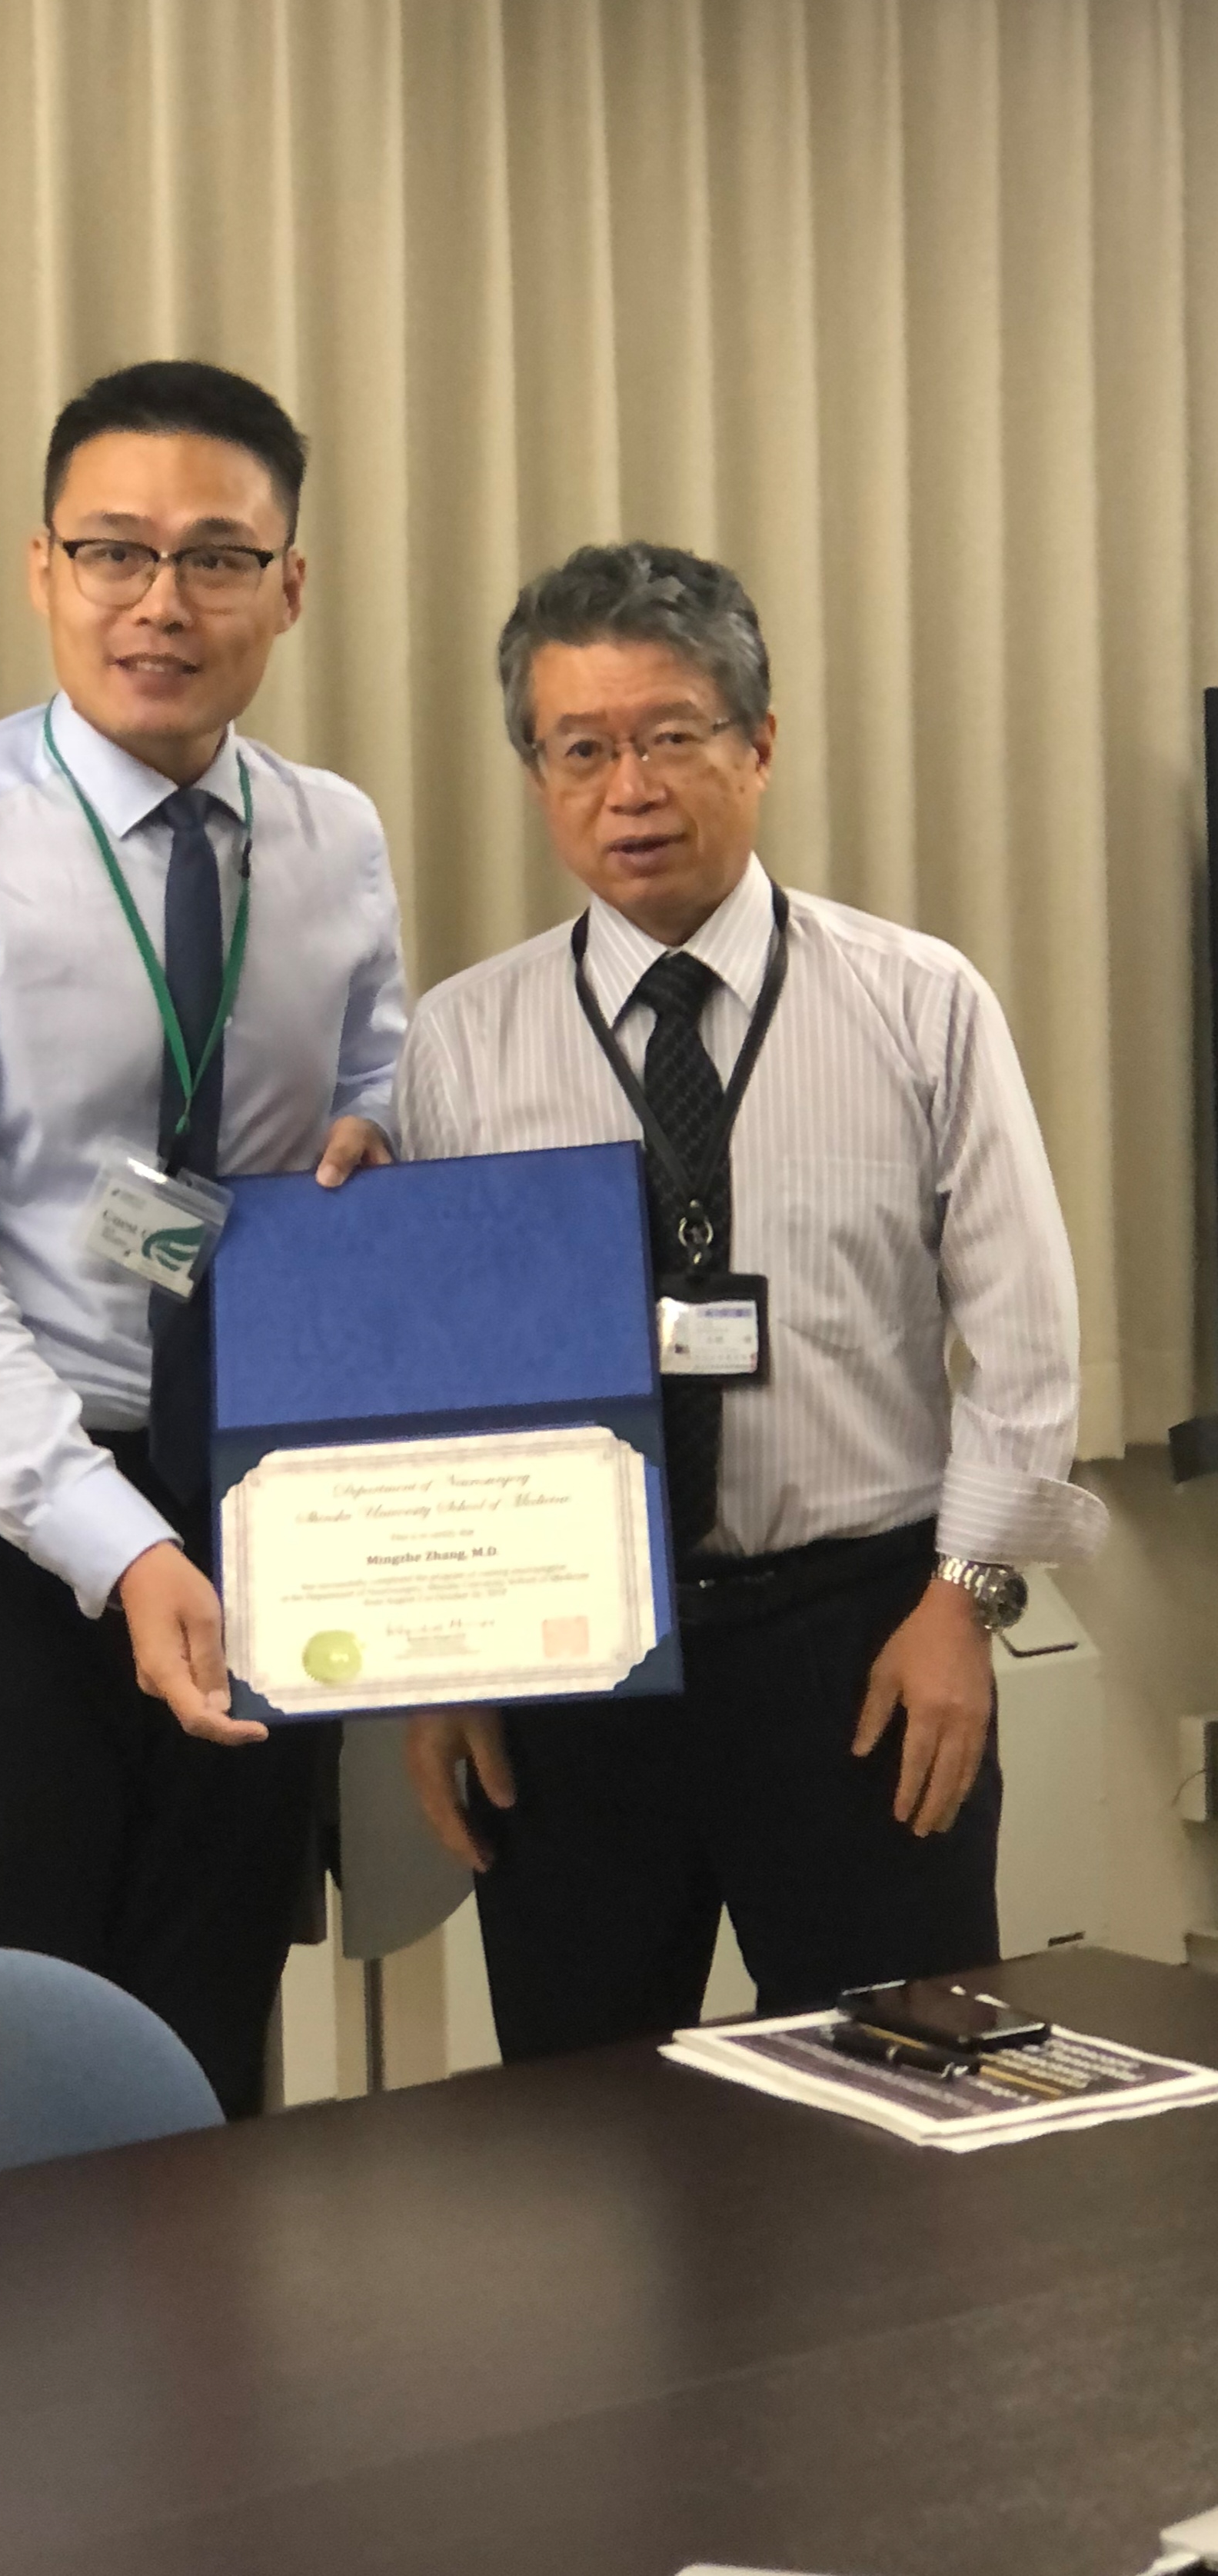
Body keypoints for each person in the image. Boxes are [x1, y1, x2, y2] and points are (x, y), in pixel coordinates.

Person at [399, 542, 1108, 2059]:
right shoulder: (463, 1043)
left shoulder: (919, 1003)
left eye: (671, 735)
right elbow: (447, 1377)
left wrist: (962, 1607)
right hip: (572, 1664)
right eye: (581, 750)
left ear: (760, 742)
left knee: (903, 2103)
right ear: (537, 774)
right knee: (586, 2126)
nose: (631, 789)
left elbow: (1029, 1344)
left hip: (860, 1647)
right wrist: (444, 1664)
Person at [0, 360, 404, 2116]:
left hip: (247, 1502)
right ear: (41, 568)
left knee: (207, 2060)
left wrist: (384, 1138)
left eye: (217, 557)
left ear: (289, 586)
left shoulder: (335, 836)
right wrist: (121, 1545)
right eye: (115, 551)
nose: (162, 602)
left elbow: (374, 1082)